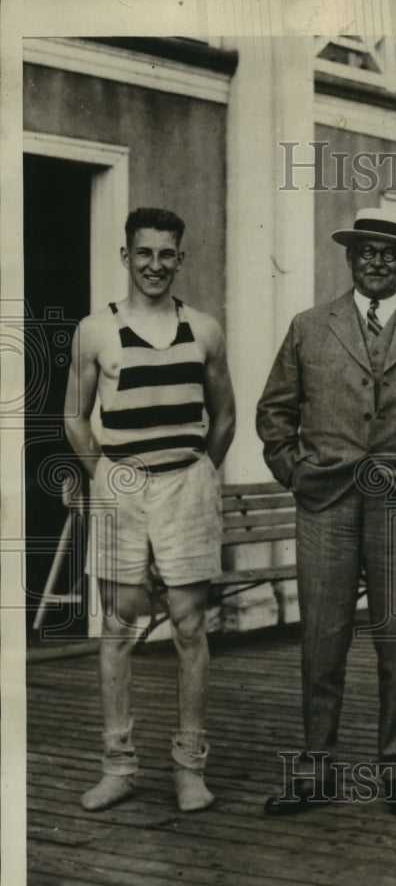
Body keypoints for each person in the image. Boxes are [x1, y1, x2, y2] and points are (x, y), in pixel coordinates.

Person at [256, 208, 396, 818]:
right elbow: (274, 414)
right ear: (349, 258)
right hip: (325, 501)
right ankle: (316, 769)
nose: (378, 260)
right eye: (367, 250)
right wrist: (295, 471)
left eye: (391, 252)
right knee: (321, 643)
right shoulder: (308, 326)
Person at [64, 207, 236, 813]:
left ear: (180, 259)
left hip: (185, 486)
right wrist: (107, 476)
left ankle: (190, 768)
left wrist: (202, 472)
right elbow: (74, 415)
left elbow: (225, 413)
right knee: (119, 625)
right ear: (126, 257)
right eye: (144, 254)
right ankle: (119, 766)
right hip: (121, 488)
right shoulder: (96, 331)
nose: (155, 265)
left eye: (167, 254)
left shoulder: (205, 329)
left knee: (190, 626)